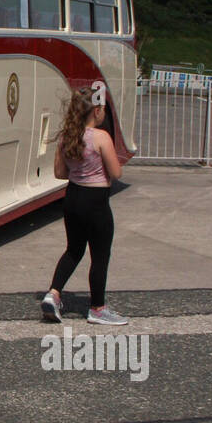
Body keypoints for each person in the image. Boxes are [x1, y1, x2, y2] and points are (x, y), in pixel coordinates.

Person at [42, 86, 128, 326]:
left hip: (72, 198)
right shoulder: (101, 137)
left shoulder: (67, 136)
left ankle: (54, 294)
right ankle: (98, 308)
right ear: (97, 111)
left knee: (73, 249)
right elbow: (116, 172)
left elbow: (60, 173)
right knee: (100, 255)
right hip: (96, 201)